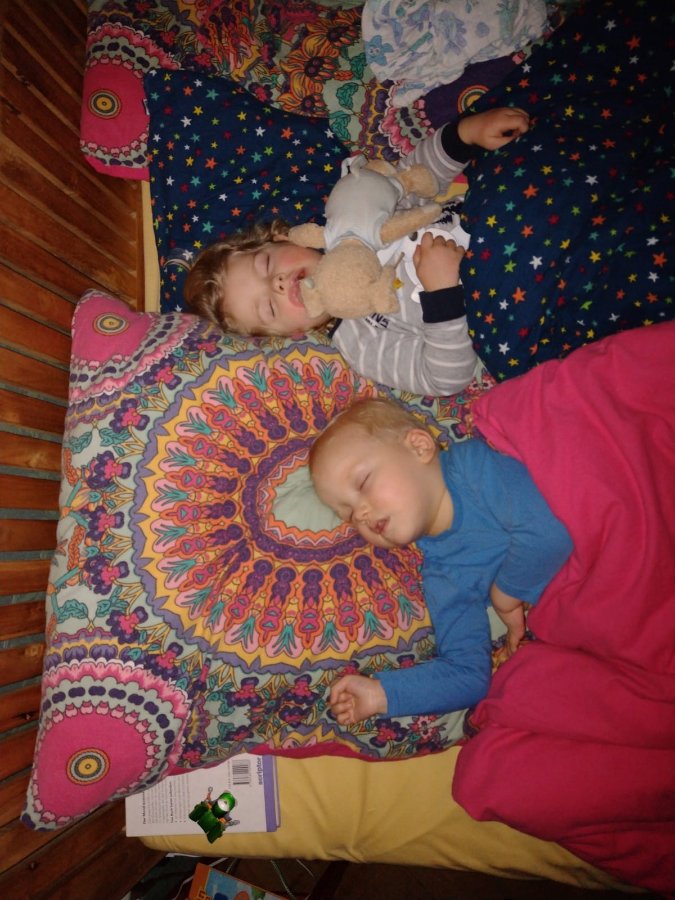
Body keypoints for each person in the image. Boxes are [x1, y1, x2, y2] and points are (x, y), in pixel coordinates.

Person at [184, 107, 530, 395]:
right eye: (269, 307)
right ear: (290, 334)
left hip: (506, 210)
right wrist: (442, 295)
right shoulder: (359, 342)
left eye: (265, 265)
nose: (277, 284)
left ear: (282, 238)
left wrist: (465, 134)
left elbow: (412, 177)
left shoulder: (349, 218)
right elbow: (443, 378)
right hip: (513, 293)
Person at [308, 397, 572, 725]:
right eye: (347, 514)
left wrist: (506, 595)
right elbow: (467, 674)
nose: (359, 513)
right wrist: (381, 695)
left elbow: (551, 529)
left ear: (419, 447)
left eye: (362, 483)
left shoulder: (474, 466)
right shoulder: (443, 576)